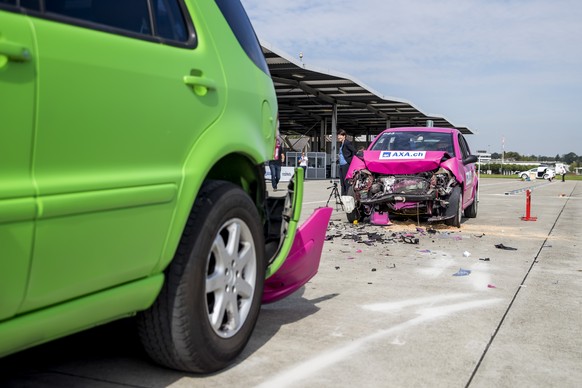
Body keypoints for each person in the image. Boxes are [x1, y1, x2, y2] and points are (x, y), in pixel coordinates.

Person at [337, 130, 357, 196]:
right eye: (338, 135)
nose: (338, 137)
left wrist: (350, 160)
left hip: (346, 164)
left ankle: (348, 196)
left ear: (344, 136)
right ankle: (343, 196)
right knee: (342, 182)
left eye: (340, 135)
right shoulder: (341, 144)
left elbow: (354, 151)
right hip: (341, 165)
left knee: (346, 182)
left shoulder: (347, 143)